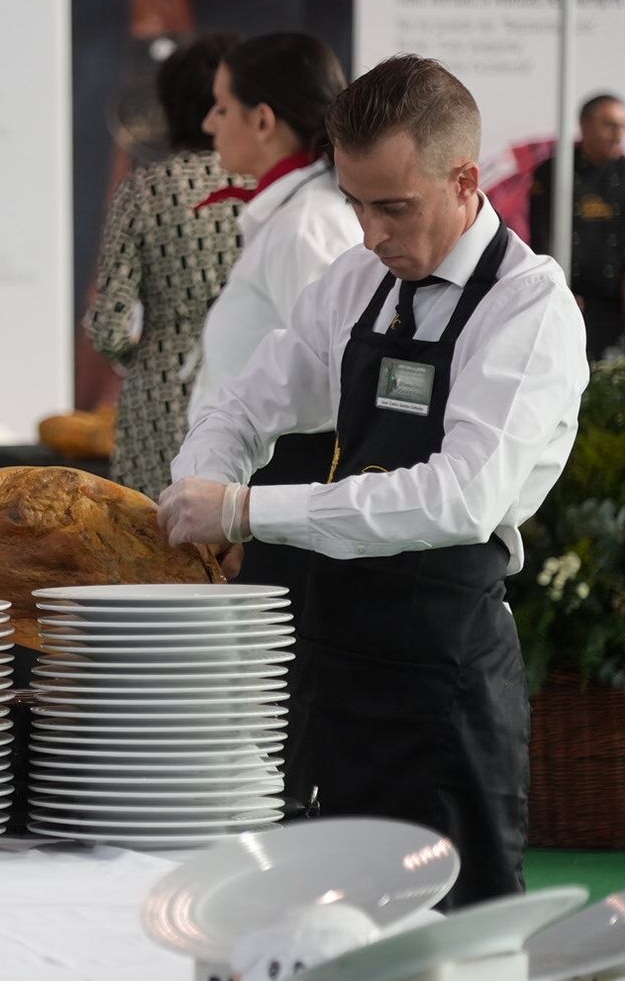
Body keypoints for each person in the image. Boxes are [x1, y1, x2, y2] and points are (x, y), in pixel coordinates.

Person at [159, 54, 590, 907]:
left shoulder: (528, 308)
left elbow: (458, 496)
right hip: (333, 657)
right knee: (317, 920)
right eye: (356, 203)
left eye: (394, 206)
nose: (371, 233)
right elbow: (244, 400)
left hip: (445, 674)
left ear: (466, 180)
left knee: (458, 940)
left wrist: (245, 508)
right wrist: (203, 479)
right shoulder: (358, 281)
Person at [188, 32, 362, 635]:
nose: (210, 124)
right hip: (259, 490)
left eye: (221, 107)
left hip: (283, 491)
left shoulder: (307, 227)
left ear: (262, 120)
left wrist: (244, 509)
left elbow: (341, 379)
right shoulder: (292, 218)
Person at [83, 32, 242, 500]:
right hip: (250, 392)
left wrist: (143, 359)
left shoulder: (145, 190)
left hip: (161, 397)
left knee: (150, 546)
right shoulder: (270, 191)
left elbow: (109, 323)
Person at [528, 92, 625, 359]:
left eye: (622, 126)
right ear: (585, 124)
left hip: (616, 303)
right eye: (610, 125)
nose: (618, 134)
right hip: (573, 299)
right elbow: (542, 238)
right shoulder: (554, 172)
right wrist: (559, 291)